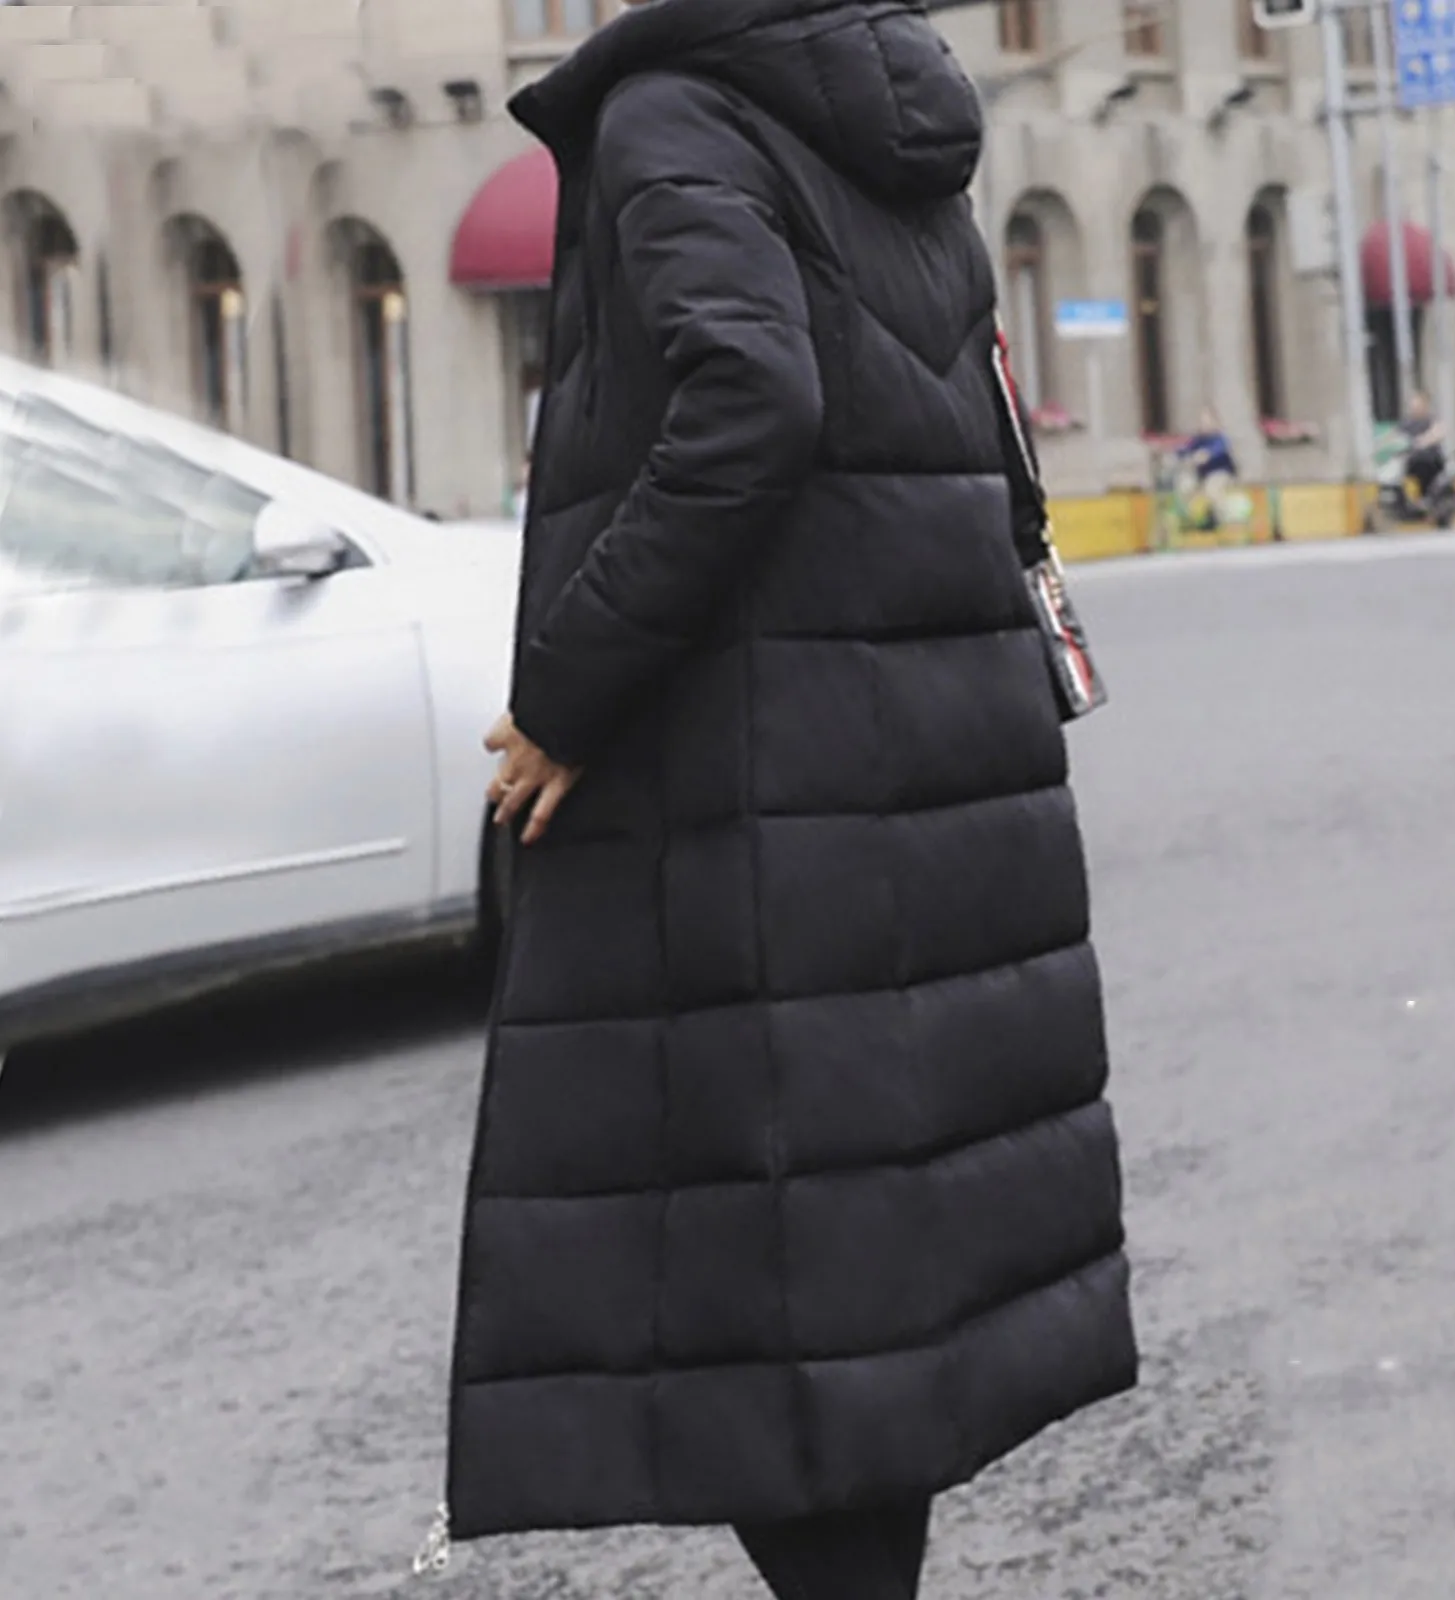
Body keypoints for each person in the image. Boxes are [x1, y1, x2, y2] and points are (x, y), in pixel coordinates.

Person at [439, 2, 1138, 1595]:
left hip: (755, 783)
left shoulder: (674, 115)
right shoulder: (888, 122)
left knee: (758, 1289)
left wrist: (567, 689)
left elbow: (752, 396)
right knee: (861, 1271)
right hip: (911, 767)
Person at [1176, 405, 1239, 530]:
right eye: (1202, 421)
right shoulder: (1198, 440)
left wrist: (1206, 454)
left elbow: (1219, 449)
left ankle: (1220, 518)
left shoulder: (1220, 438)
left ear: (1215, 422)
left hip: (1221, 473)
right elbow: (1184, 449)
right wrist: (1180, 454)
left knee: (1212, 488)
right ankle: (1194, 518)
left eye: (1207, 421)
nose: (1204, 424)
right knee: (1185, 485)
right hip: (1202, 476)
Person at [1401, 389, 1447, 506]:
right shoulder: (1407, 423)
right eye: (1413, 405)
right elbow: (1394, 435)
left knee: (1424, 467)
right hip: (1412, 460)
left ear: (1425, 406)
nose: (1414, 408)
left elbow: (1437, 432)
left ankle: (1426, 499)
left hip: (1430, 459)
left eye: (1418, 405)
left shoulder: (1431, 420)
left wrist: (1423, 441)